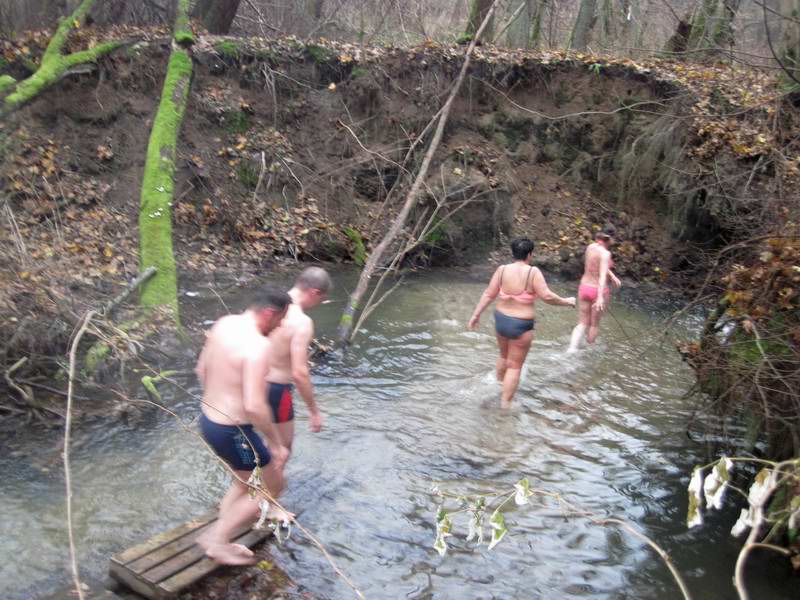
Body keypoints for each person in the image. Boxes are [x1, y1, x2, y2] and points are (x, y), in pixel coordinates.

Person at [194, 285, 292, 566]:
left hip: (209, 420)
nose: (280, 326)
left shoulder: (224, 324)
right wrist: (275, 443)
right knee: (272, 483)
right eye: (280, 320)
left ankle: (218, 535)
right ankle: (217, 541)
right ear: (269, 313)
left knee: (243, 480)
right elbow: (254, 405)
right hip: (234, 431)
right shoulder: (258, 347)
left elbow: (201, 369)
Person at [468, 238, 576, 408]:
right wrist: (567, 301)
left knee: (503, 357)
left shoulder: (502, 270)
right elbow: (547, 296)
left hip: (501, 320)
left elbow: (489, 294)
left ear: (513, 253)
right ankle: (505, 405)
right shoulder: (533, 272)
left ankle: (496, 387)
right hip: (521, 324)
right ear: (530, 254)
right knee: (515, 366)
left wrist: (476, 315)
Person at [265, 267, 331, 459]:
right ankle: (263, 489)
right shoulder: (302, 322)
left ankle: (250, 483)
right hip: (276, 390)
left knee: (262, 443)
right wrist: (314, 411)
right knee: (282, 451)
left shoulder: (266, 303)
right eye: (320, 299)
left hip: (249, 382)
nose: (317, 304)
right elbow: (299, 373)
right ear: (314, 293)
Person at [567, 225, 622, 353]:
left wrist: (612, 276)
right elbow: (602, 275)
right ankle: (589, 351)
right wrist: (600, 297)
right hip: (598, 290)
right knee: (594, 324)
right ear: (610, 238)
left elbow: (597, 265)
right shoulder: (606, 254)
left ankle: (572, 348)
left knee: (582, 322)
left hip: (584, 287)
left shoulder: (590, 247)